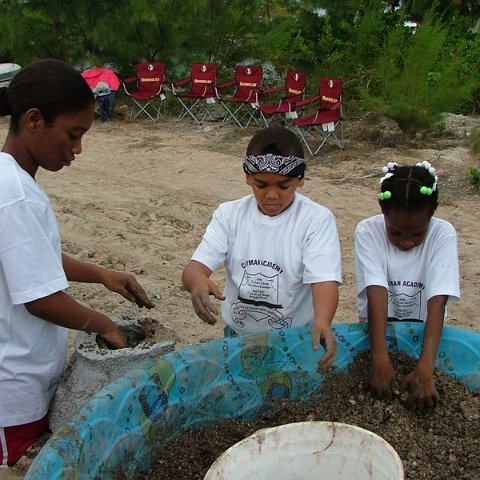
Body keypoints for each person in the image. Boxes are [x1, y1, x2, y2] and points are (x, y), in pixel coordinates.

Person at [0, 58, 155, 466]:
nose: (78, 149)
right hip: (14, 392)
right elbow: (41, 300)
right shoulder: (14, 193)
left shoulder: (12, 180)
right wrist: (103, 324)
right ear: (34, 120)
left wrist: (100, 275)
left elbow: (33, 257)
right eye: (73, 134)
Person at [182, 126, 342, 371]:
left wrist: (322, 321)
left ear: (300, 180)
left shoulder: (316, 220)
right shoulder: (229, 215)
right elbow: (195, 268)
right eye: (261, 184)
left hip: (294, 338)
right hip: (237, 336)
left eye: (283, 186)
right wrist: (197, 283)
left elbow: (324, 280)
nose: (271, 195)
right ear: (247, 177)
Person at [354, 161, 460, 408]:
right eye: (396, 233)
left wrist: (425, 367)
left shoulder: (443, 234)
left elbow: (438, 299)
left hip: (424, 332)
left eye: (416, 235)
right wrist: (379, 359)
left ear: (432, 215)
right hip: (377, 332)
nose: (406, 242)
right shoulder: (368, 232)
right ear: (382, 210)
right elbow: (376, 290)